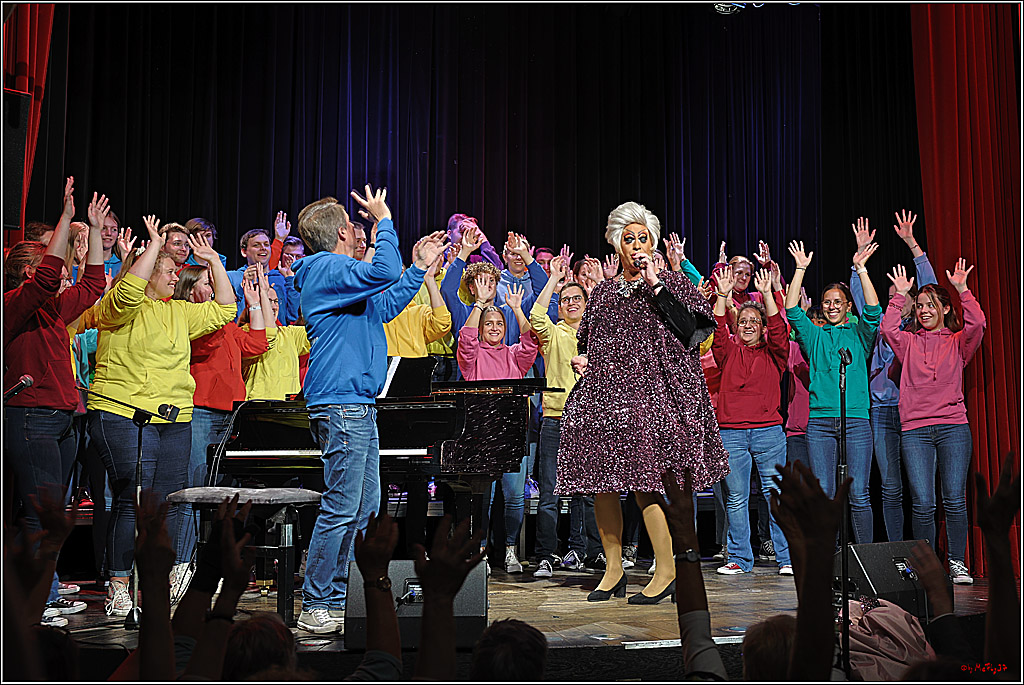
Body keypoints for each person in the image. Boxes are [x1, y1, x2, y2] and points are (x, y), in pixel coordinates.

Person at [292, 186, 447, 634]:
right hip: (341, 402)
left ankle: (340, 597)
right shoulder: (327, 267)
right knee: (343, 506)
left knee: (364, 506)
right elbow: (383, 270)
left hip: (356, 403)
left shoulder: (340, 279)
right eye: (353, 225)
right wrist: (385, 221)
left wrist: (418, 268)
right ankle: (317, 602)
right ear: (343, 232)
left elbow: (387, 303)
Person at [557, 201, 726, 605]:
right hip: (606, 398)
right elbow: (589, 340)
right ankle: (613, 570)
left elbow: (694, 332)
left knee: (644, 485)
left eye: (643, 238)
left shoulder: (672, 283)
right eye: (628, 238)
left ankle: (667, 569)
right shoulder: (603, 293)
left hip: (653, 399)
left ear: (653, 244)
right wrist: (586, 358)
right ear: (617, 244)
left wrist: (656, 283)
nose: (636, 245)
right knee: (601, 484)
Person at [87, 216, 236, 616]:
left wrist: (213, 261)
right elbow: (128, 291)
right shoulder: (119, 306)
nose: (176, 277)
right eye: (168, 271)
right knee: (134, 498)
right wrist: (151, 247)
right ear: (148, 272)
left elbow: (225, 309)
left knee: (168, 502)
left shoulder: (179, 312)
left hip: (174, 419)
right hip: (124, 413)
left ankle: (159, 582)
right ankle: (119, 585)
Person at [4, 178, 104, 624]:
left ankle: (42, 592)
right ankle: (34, 603)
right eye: (53, 264)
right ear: (29, 272)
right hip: (31, 417)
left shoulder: (51, 310)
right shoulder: (13, 304)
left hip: (61, 417)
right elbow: (49, 278)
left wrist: (96, 232)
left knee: (51, 515)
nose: (64, 272)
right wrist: (66, 217)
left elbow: (93, 286)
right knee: (38, 515)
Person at [882, 258, 985, 583]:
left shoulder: (957, 342)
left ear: (945, 308)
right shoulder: (909, 342)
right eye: (920, 305)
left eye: (930, 305)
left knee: (954, 499)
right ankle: (926, 565)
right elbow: (887, 329)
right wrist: (900, 296)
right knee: (923, 502)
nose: (924, 310)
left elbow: (978, 324)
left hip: (953, 427)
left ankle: (956, 562)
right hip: (915, 430)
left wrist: (962, 290)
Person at [170, 264, 269, 574]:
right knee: (195, 487)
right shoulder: (188, 318)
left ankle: (214, 564)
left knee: (224, 492)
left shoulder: (224, 324)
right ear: (190, 290)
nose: (214, 289)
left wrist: (254, 304)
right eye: (207, 283)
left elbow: (257, 344)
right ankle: (182, 563)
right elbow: (208, 343)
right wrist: (224, 310)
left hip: (231, 413)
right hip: (202, 411)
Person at [784, 236, 880, 544]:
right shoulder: (814, 336)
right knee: (824, 494)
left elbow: (873, 311)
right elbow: (792, 310)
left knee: (859, 493)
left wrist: (861, 270)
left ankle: (864, 559)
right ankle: (829, 557)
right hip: (821, 423)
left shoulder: (859, 333)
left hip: (856, 421)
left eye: (838, 302)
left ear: (848, 306)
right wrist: (800, 269)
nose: (832, 306)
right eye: (827, 302)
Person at [850, 210, 937, 543]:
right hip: (882, 412)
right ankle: (896, 550)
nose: (894, 303)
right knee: (890, 485)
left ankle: (922, 550)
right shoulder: (877, 331)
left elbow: (930, 287)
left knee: (921, 488)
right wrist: (859, 259)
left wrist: (913, 245)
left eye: (901, 298)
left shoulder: (918, 330)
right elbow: (861, 298)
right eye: (890, 299)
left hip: (916, 412)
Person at [711, 267, 792, 576]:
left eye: (754, 322)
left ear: (762, 327)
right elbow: (718, 329)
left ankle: (786, 558)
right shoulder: (728, 352)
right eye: (743, 321)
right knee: (736, 498)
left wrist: (768, 294)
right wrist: (722, 295)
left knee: (775, 497)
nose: (747, 325)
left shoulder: (775, 354)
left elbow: (779, 328)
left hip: (768, 433)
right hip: (732, 434)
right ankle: (740, 558)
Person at [456, 281, 539, 573]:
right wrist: (480, 304)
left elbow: (532, 342)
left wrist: (516, 309)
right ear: (482, 328)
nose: (494, 327)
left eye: (499, 323)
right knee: (485, 498)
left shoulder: (514, 355)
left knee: (515, 496)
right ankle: (480, 553)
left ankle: (510, 551)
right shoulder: (472, 357)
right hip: (481, 435)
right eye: (488, 324)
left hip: (513, 433)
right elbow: (466, 338)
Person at [528, 256, 601, 578]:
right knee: (549, 492)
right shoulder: (553, 334)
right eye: (565, 299)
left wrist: (598, 287)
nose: (571, 303)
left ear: (586, 304)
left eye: (577, 299)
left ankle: (588, 551)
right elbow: (536, 315)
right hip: (556, 418)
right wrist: (553, 280)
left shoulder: (597, 335)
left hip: (588, 420)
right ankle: (546, 554)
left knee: (589, 491)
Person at [240, 281, 310, 401]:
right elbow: (267, 337)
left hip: (288, 407)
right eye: (268, 301)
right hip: (258, 405)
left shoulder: (290, 334)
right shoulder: (244, 333)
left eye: (276, 301)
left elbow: (321, 331)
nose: (273, 307)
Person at [382, 254, 451, 358]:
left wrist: (429, 279)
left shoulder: (419, 312)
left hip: (416, 367)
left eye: (401, 272)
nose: (396, 276)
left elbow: (442, 324)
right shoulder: (371, 312)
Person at [226, 228, 299, 323]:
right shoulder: (232, 278)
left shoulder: (281, 278)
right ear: (244, 252)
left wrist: (290, 281)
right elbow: (227, 314)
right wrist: (242, 286)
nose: (263, 248)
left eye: (266, 244)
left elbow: (294, 316)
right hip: (244, 331)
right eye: (256, 245)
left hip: (278, 331)